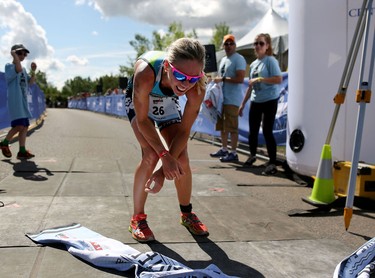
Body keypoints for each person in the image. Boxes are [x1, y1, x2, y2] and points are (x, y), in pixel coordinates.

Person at [124, 38, 209, 242]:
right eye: (179, 75)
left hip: (168, 100)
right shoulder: (145, 74)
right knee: (150, 156)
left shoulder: (197, 87)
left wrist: (164, 170)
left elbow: (184, 132)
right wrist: (163, 156)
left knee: (182, 159)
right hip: (144, 96)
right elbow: (143, 121)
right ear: (166, 66)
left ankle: (186, 213)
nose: (185, 84)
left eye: (192, 78)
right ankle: (137, 218)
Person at [239, 33, 282, 175]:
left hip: (270, 100)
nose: (258, 46)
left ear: (267, 46)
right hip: (256, 100)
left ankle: (272, 162)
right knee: (253, 131)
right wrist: (243, 104)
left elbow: (278, 79)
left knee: (268, 131)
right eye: (256, 43)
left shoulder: (270, 61)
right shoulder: (253, 64)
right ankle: (252, 155)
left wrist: (261, 79)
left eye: (261, 43)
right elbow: (250, 87)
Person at [209, 34, 246, 162]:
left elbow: (240, 78)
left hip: (233, 99)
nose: (228, 46)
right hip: (222, 100)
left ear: (235, 45)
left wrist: (223, 79)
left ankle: (234, 153)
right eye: (226, 44)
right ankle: (224, 149)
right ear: (223, 46)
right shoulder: (224, 59)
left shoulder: (239, 59)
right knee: (222, 127)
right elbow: (221, 77)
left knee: (232, 128)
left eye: (231, 43)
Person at [0, 44, 37, 160]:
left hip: (22, 101)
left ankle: (22, 150)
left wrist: (33, 72)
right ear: (14, 53)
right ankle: (4, 143)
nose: (23, 56)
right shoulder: (9, 66)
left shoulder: (23, 69)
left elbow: (30, 83)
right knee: (20, 125)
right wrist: (14, 55)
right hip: (15, 101)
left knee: (25, 126)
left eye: (25, 54)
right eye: (20, 53)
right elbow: (18, 68)